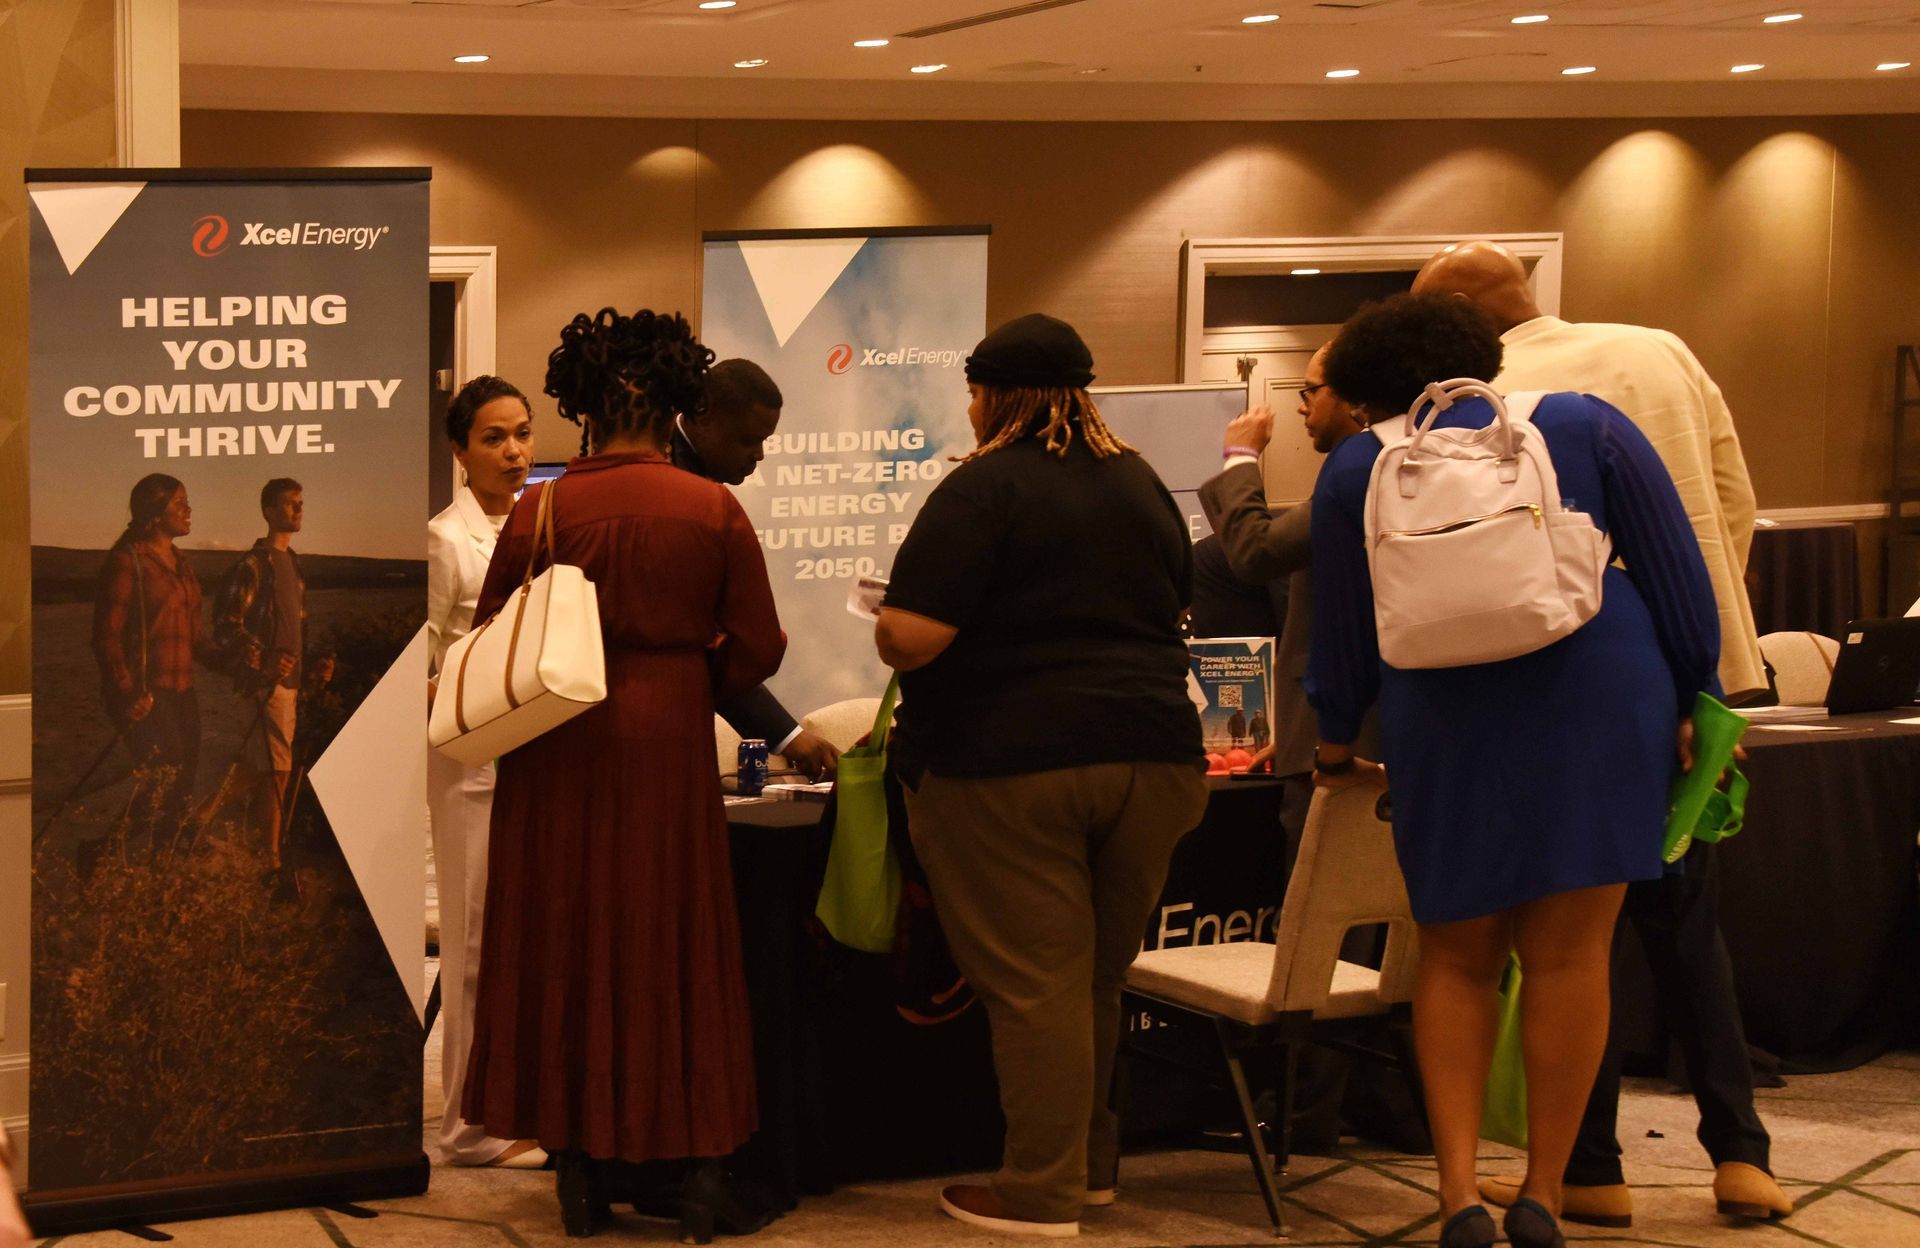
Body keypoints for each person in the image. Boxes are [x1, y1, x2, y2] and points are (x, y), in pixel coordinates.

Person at [1305, 293, 1721, 1248]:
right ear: (1482, 359)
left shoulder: (1358, 466)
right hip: (1598, 692)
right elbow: (1673, 569)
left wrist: (1334, 742)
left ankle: (1457, 1197)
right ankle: (1542, 1192)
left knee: (1455, 957)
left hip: (1444, 713)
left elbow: (1344, 636)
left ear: (1372, 381)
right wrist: (1696, 688)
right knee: (1572, 956)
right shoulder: (1579, 421)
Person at [1416, 240, 1791, 1226]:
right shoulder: (1659, 349)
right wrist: (1704, 673)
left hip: (1560, 693)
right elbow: (1736, 502)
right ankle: (1740, 1154)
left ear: (1460, 322)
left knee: (1560, 942)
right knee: (1686, 927)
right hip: (1693, 674)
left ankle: (1587, 1166)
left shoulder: (1490, 399)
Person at [875, 313, 1208, 1238]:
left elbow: (911, 634)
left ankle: (1038, 1192)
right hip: (1158, 759)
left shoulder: (984, 487)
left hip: (1012, 766)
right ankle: (1091, 1171)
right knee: (1096, 977)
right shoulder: (1140, 481)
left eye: (975, 392)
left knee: (1034, 987)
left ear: (993, 395)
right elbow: (1175, 609)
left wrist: (884, 623)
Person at [461, 307, 786, 1241]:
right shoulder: (712, 508)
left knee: (568, 945)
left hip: (560, 749)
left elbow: (494, 638)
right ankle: (698, 1171)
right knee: (675, 948)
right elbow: (759, 646)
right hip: (667, 750)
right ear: (679, 394)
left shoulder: (543, 507)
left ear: (586, 401)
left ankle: (578, 1172)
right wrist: (688, 678)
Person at [424, 376, 546, 1170]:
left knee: (522, 942)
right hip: (471, 756)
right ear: (461, 451)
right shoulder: (444, 540)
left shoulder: (548, 526)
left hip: (539, 756)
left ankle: (519, 1103)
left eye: (523, 434)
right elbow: (421, 663)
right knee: (469, 945)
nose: (514, 452)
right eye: (495, 438)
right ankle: (469, 1126)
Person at [670, 357, 840, 781]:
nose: (759, 455)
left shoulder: (697, 486)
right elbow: (701, 647)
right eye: (748, 439)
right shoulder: (677, 498)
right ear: (702, 417)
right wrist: (786, 735)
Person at [89, 473, 201, 870]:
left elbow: (196, 638)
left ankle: (163, 874)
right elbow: (106, 638)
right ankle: (98, 855)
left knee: (181, 785)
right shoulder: (128, 561)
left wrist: (246, 664)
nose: (189, 509)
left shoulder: (183, 565)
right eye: (180, 503)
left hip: (183, 692)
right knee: (164, 776)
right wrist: (126, 693)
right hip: (147, 695)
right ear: (155, 514)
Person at [213, 477, 318, 895]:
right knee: (276, 770)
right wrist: (260, 657)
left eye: (300, 503)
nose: (297, 510)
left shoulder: (293, 564)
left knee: (256, 770)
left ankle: (206, 830)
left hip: (289, 683)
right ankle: (270, 860)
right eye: (290, 504)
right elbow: (226, 625)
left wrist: (311, 670)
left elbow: (297, 628)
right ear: (269, 511)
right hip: (262, 685)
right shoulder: (253, 565)